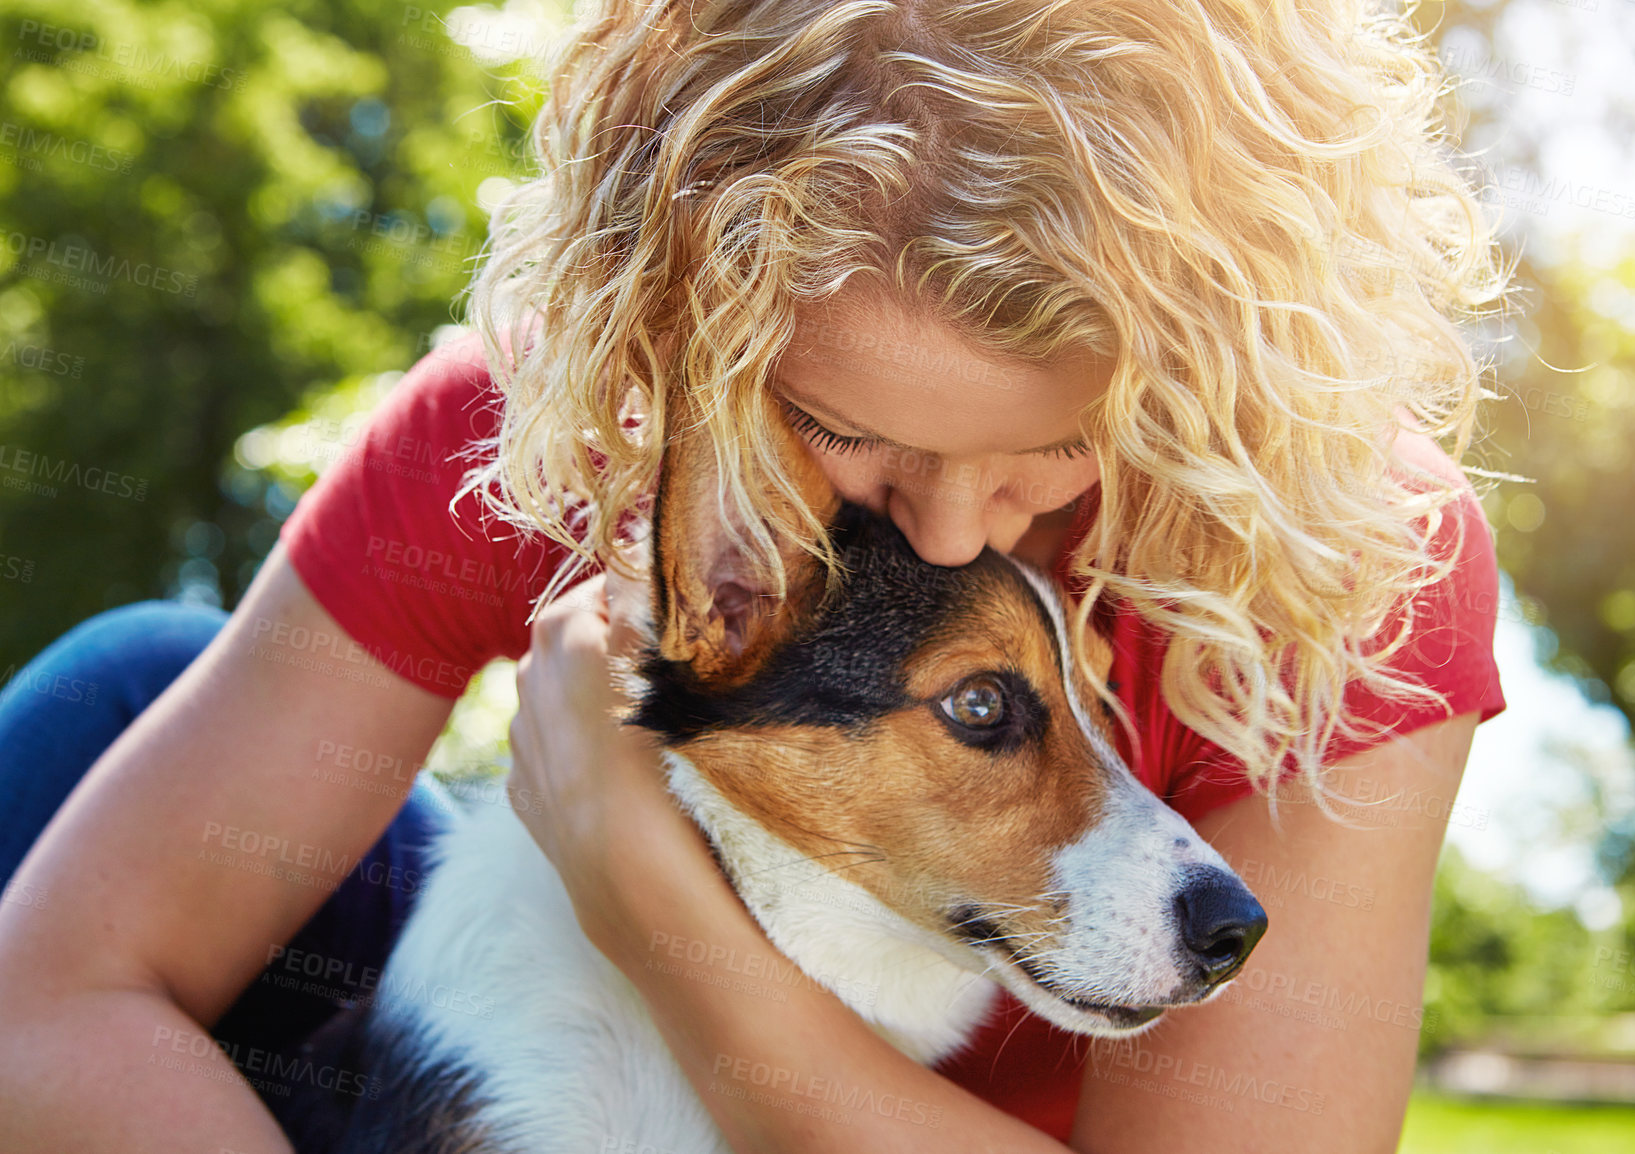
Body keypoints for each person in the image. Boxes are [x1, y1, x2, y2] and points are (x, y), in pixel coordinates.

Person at [0, 1, 1509, 1150]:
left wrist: (642, 887)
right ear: (688, 330)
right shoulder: (552, 426)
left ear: (1185, 376)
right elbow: (46, 1011)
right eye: (842, 432)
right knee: (126, 687)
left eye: (1055, 453)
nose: (948, 530)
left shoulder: (1357, 553)